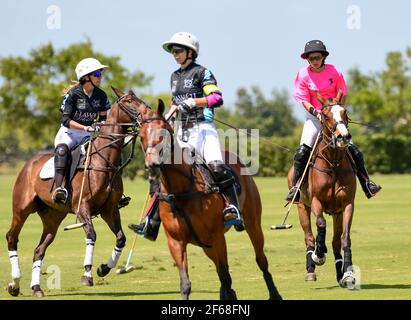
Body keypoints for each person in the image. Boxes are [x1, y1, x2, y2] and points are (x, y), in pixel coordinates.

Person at [128, 32, 244, 239]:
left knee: (217, 166)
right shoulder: (174, 76)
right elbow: (175, 102)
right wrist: (168, 117)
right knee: (163, 168)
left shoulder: (202, 72)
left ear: (190, 52)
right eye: (173, 51)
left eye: (178, 50)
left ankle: (233, 209)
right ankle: (151, 222)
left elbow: (216, 97)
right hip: (182, 130)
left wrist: (195, 102)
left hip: (203, 128)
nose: (175, 54)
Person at [286, 40, 381, 202]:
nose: (314, 61)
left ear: (323, 57)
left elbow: (342, 93)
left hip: (334, 117)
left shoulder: (334, 71)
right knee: (302, 151)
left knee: (353, 150)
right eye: (311, 58)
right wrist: (317, 113)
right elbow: (304, 100)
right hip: (315, 117)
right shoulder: (302, 74)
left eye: (317, 57)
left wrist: (339, 114)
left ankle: (367, 183)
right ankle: (295, 188)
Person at [52, 58, 110, 203]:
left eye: (100, 73)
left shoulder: (101, 95)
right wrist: (86, 127)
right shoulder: (73, 95)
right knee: (62, 151)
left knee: (107, 152)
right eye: (97, 73)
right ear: (86, 77)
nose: (100, 76)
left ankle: (112, 191)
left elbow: (103, 118)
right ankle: (59, 189)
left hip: (88, 135)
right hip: (69, 134)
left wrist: (100, 125)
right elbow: (65, 120)